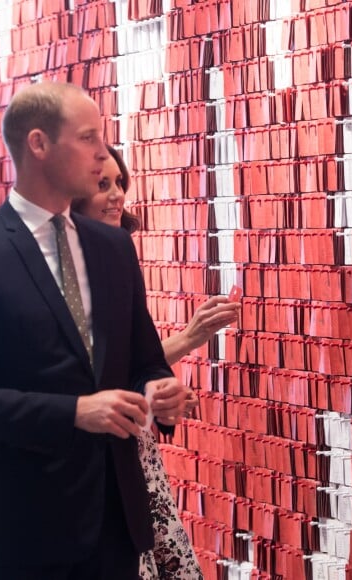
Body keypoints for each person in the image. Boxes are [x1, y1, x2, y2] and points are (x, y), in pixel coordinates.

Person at [0, 81, 191, 580]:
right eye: (89, 138)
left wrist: (158, 389)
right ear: (38, 144)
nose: (103, 154)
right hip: (22, 529)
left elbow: (144, 360)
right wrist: (73, 412)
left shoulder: (113, 248)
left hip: (117, 521)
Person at [73, 144, 241, 579]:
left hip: (132, 447)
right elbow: (105, 369)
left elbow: (133, 361)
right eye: (102, 185)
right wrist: (188, 337)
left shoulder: (117, 256)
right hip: (86, 456)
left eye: (119, 183)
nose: (117, 196)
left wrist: (164, 378)